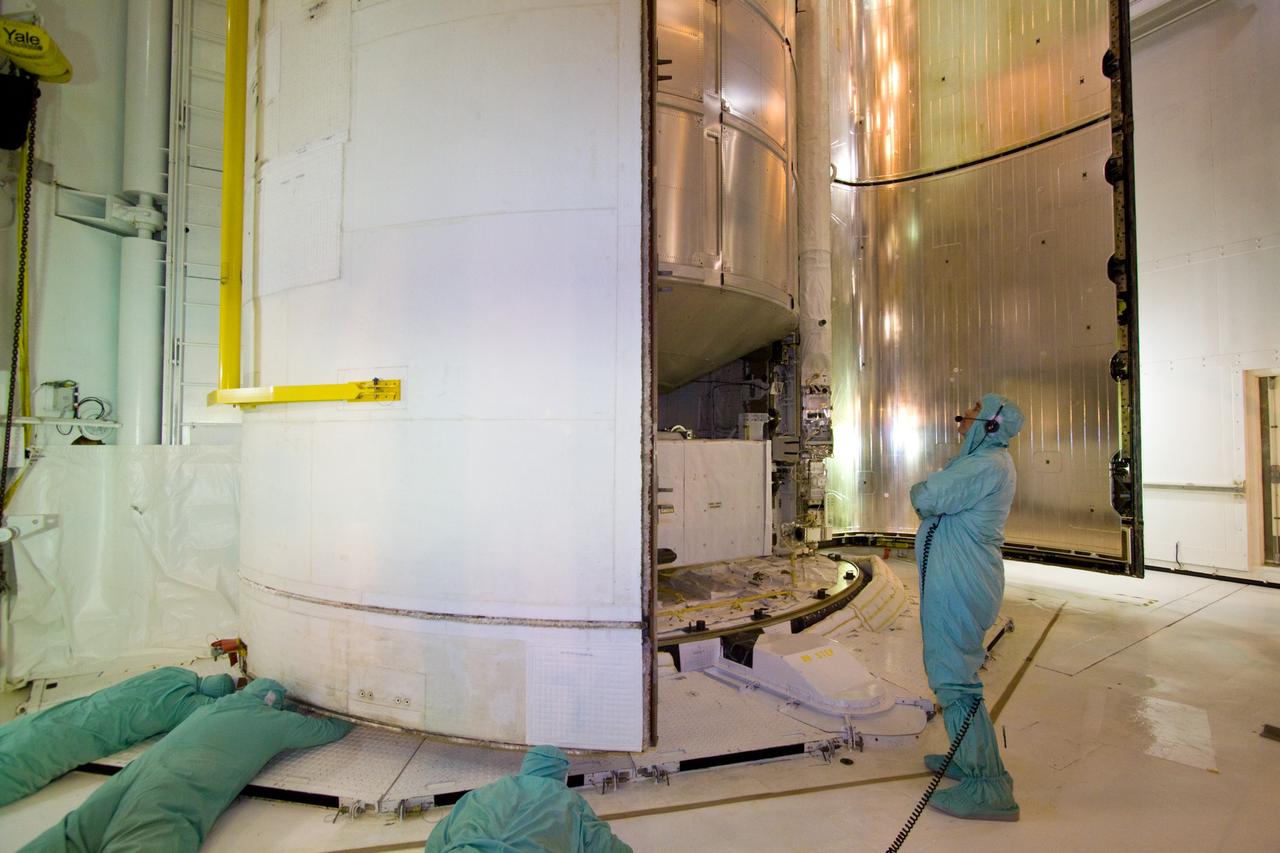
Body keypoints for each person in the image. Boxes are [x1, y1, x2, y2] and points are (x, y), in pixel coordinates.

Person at [20, 678, 352, 853]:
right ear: (276, 704)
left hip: (132, 778)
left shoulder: (212, 708)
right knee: (144, 840)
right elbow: (329, 729)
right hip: (171, 792)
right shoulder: (275, 722)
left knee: (75, 833)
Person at [909, 392, 1024, 822]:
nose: (967, 411)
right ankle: (971, 757)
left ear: (990, 424)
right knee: (956, 672)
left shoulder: (985, 464)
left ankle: (989, 786)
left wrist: (920, 487)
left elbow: (927, 496)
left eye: (976, 408)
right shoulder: (982, 462)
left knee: (953, 677)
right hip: (961, 579)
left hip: (962, 583)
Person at [0, 666, 235, 806]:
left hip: (77, 711)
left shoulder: (173, 673)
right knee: (37, 753)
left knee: (41, 726)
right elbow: (222, 713)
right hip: (85, 734)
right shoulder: (188, 706)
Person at [425, 744, 632, 852]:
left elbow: (436, 841)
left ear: (527, 766)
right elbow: (606, 847)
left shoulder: (483, 793)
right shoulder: (569, 801)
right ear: (562, 775)